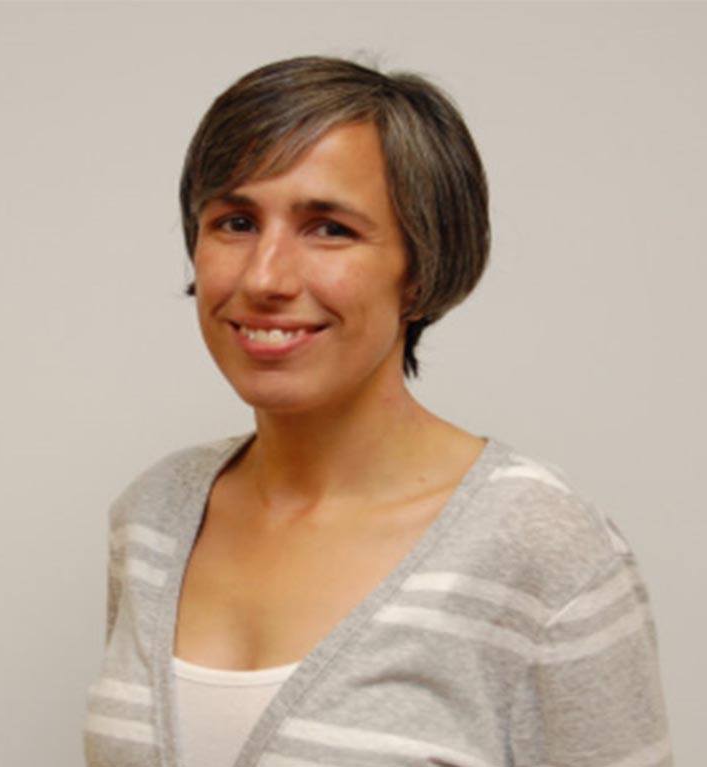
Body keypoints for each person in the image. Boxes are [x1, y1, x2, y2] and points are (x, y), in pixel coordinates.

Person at [84, 57, 671, 767]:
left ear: (420, 272)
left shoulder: (539, 547)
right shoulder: (153, 516)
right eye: (234, 221)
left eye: (328, 228)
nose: (263, 276)